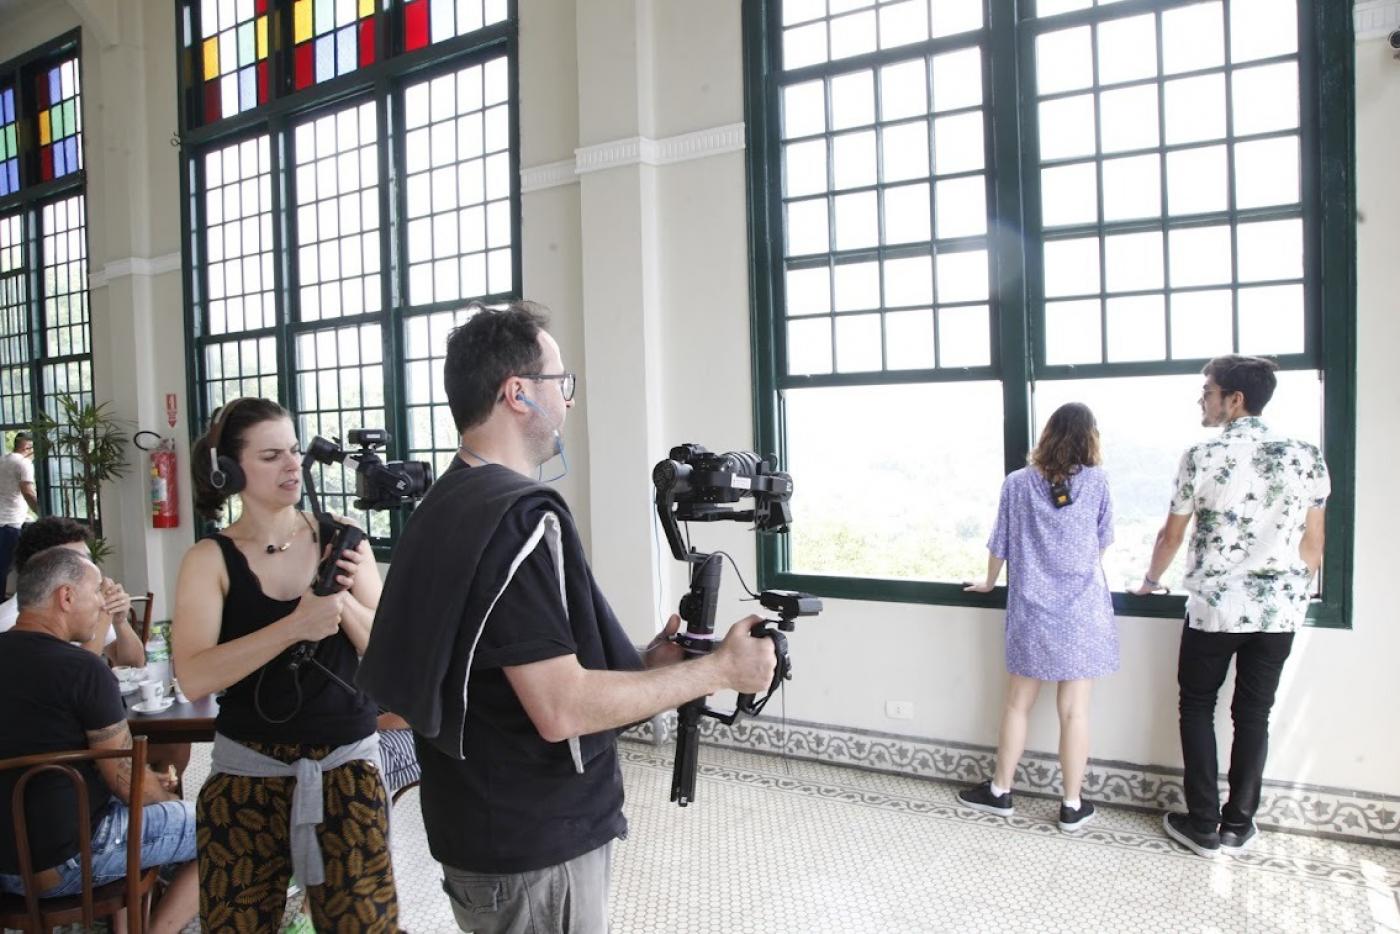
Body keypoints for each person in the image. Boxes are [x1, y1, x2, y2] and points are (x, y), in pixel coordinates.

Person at [358, 301, 777, 934]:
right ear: (518, 393)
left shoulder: (446, 504)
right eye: (562, 382)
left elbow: (498, 677)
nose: (569, 400)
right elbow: (560, 710)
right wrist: (719, 670)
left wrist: (643, 668)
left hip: (478, 826)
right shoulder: (518, 519)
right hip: (533, 851)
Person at [171, 397, 399, 931]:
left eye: (295, 451)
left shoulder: (344, 542)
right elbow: (195, 675)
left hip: (348, 772)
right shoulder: (209, 560)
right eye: (271, 455)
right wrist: (295, 625)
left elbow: (388, 656)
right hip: (247, 775)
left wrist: (338, 602)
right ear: (229, 470)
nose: (293, 465)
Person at [1133, 355, 1328, 858]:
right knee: (1253, 715)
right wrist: (1288, 594)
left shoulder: (1201, 455)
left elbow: (1171, 535)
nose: (1203, 398)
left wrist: (1151, 580)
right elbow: (1313, 544)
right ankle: (1238, 826)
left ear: (1234, 399)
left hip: (1215, 609)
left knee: (1197, 707)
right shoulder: (1307, 455)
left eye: (1208, 390)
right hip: (1279, 612)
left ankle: (1201, 825)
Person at [0, 547, 197, 934]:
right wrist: (167, 796)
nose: (100, 605)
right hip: (66, 864)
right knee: (218, 823)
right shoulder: (83, 670)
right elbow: (129, 786)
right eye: (95, 593)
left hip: (3, 863)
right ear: (66, 597)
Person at [956, 403, 1118, 832]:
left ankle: (1000, 792)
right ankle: (1070, 804)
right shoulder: (1098, 483)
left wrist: (990, 583)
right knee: (1075, 713)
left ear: (1047, 435)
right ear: (1090, 438)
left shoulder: (1017, 484)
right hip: (1083, 612)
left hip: (1032, 610)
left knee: (1017, 704)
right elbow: (1102, 542)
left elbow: (1000, 543)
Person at [0, 516, 146, 668]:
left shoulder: (83, 605)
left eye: (89, 560)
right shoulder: (11, 623)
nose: (91, 568)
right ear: (44, 566)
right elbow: (76, 677)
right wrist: (104, 613)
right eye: (79, 562)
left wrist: (120, 622)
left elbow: (134, 664)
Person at [0, 432, 38, 598]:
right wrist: (43, 512)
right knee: (4, 569)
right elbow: (28, 492)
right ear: (26, 447)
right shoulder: (24, 463)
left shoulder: (3, 459)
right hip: (9, 524)